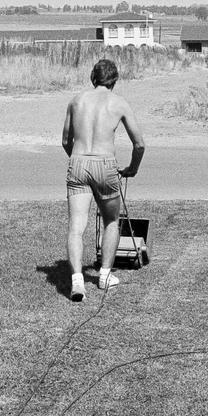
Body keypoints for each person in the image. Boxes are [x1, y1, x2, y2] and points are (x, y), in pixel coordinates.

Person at [61, 58, 145, 302]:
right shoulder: (119, 103)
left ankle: (77, 281)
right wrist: (132, 168)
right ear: (114, 80)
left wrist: (80, 161)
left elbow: (66, 141)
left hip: (78, 162)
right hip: (105, 163)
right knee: (111, 221)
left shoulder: (76, 101)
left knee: (76, 226)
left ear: (93, 77)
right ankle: (105, 275)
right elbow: (139, 144)